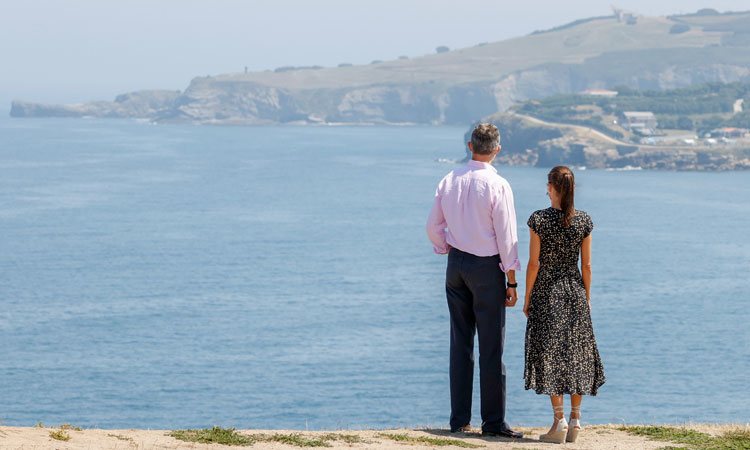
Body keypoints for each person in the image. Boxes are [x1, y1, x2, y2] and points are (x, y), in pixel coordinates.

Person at [426, 123, 523, 439]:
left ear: (470, 145)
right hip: (486, 269)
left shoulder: (449, 179)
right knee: (491, 346)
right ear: (497, 149)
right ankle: (493, 423)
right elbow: (508, 238)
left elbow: (432, 225)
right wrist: (511, 281)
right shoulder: (498, 185)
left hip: (456, 265)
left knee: (461, 342)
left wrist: (445, 247)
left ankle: (459, 421)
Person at [522, 166, 605, 444]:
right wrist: (587, 298)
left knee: (551, 354)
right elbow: (588, 266)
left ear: (551, 187)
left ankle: (558, 421)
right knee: (576, 354)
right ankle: (576, 419)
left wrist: (527, 297)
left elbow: (534, 264)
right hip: (575, 293)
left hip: (547, 292)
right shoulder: (583, 221)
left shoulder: (539, 220)